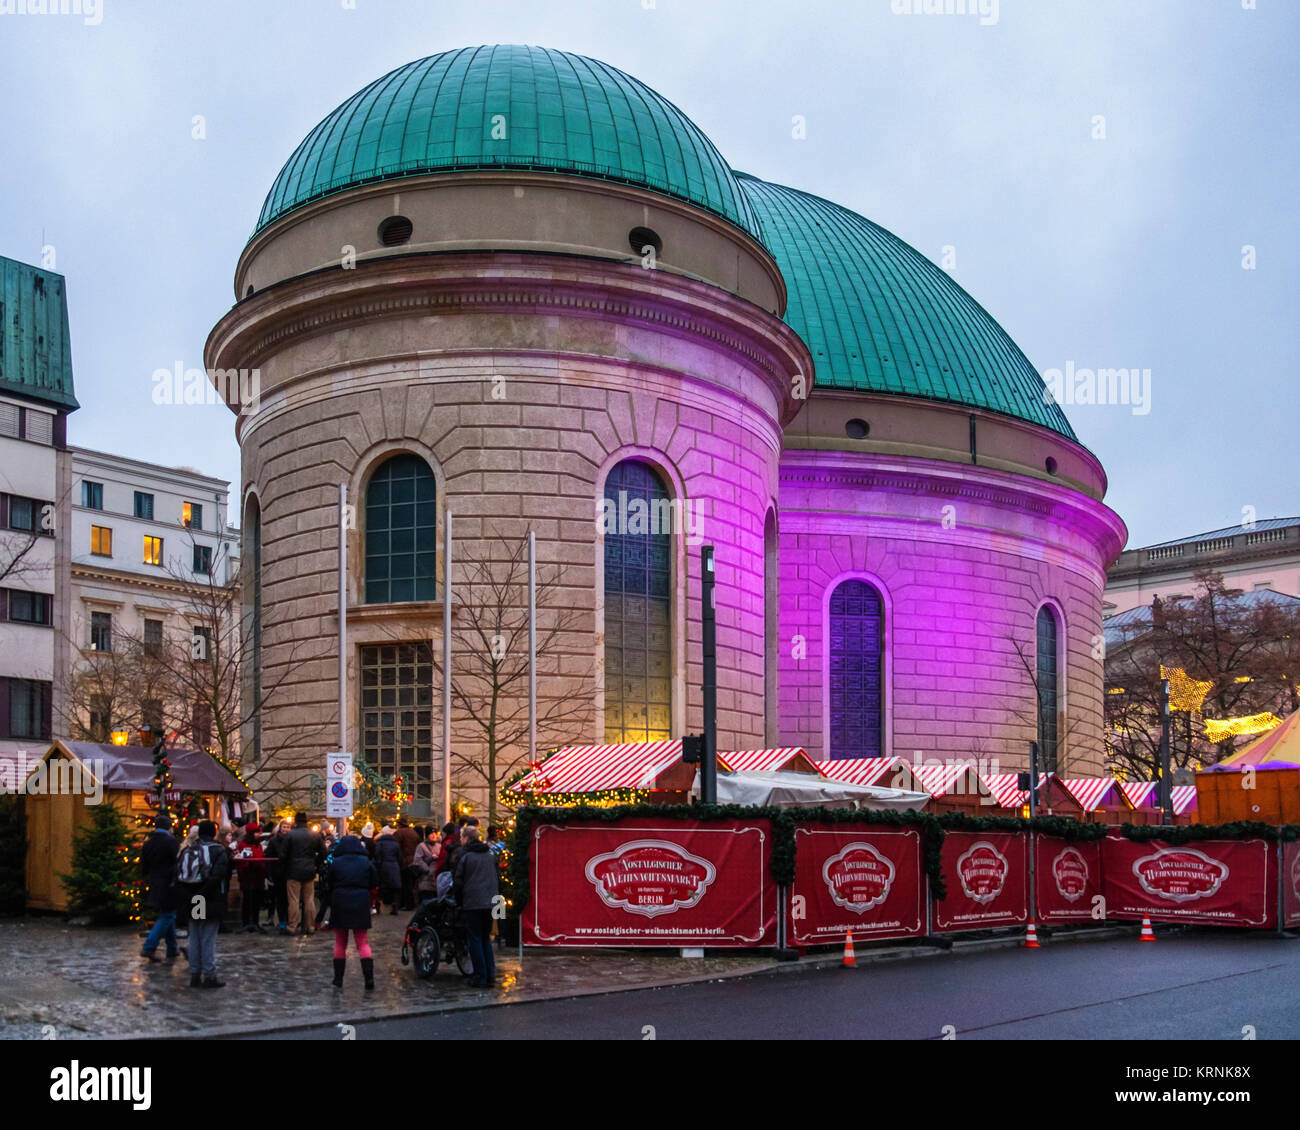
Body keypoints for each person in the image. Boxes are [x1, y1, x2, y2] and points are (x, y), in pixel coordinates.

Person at [175, 820, 231, 988]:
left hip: (191, 898)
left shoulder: (188, 850)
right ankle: (209, 975)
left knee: (195, 935)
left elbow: (178, 875)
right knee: (208, 938)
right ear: (214, 832)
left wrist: (191, 896)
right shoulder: (218, 850)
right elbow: (218, 876)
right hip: (209, 898)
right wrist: (203, 893)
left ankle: (194, 974)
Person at [326, 834, 378, 989]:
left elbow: (329, 884)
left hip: (340, 900)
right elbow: (374, 883)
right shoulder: (366, 863)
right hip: (360, 901)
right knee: (362, 942)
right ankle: (369, 978)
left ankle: (338, 979)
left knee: (340, 942)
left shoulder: (335, 863)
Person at [453, 826, 499, 988]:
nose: (460, 839)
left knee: (475, 940)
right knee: (486, 938)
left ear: (466, 838)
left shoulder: (465, 856)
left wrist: (458, 901)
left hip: (473, 902)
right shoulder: (490, 855)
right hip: (490, 902)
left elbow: (458, 882)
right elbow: (496, 877)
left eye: (461, 837)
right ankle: (490, 974)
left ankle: (480, 976)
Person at [140, 815, 181, 962]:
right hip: (169, 884)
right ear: (169, 826)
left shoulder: (148, 843)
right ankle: (149, 947)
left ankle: (172, 948)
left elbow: (144, 867)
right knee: (167, 915)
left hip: (154, 882)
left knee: (167, 914)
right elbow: (178, 861)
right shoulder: (171, 842)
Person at [284, 812, 324, 936]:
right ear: (307, 821)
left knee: (294, 900)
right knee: (309, 899)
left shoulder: (290, 835)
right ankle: (310, 926)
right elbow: (324, 852)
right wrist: (315, 863)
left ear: (295, 821)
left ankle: (292, 926)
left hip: (293, 870)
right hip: (309, 870)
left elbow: (283, 854)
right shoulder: (315, 835)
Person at [232, 821, 267, 933]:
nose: (259, 835)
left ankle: (255, 921)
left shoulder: (258, 845)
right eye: (257, 832)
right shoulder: (242, 845)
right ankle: (246, 922)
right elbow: (240, 861)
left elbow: (260, 858)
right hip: (248, 876)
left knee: (256, 900)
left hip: (257, 876)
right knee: (247, 900)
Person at [264, 819, 292, 934]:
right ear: (280, 828)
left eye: (288, 827)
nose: (285, 829)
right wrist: (269, 873)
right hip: (278, 873)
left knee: (290, 899)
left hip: (290, 872)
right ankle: (282, 922)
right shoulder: (274, 841)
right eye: (284, 827)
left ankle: (290, 921)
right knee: (280, 899)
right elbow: (269, 857)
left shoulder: (292, 840)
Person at [374, 823, 402, 914]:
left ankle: (378, 903)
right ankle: (395, 905)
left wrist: (378, 865)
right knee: (395, 887)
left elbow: (377, 855)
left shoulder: (380, 843)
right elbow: (399, 857)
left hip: (383, 866)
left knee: (382, 886)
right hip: (394, 866)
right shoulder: (396, 844)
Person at [393, 815, 420, 909]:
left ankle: (406, 904)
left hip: (404, 861)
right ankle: (412, 903)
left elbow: (395, 847)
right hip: (414, 860)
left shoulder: (399, 833)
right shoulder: (413, 832)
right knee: (411, 884)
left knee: (405, 884)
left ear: (399, 824)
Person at [411, 826, 442, 903]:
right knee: (427, 902)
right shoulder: (421, 846)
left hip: (437, 880)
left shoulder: (439, 846)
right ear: (427, 835)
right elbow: (417, 860)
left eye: (435, 833)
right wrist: (427, 870)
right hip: (425, 879)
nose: (434, 835)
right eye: (431, 833)